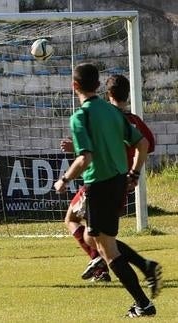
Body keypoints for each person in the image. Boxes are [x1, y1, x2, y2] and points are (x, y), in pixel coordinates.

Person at [54, 63, 162, 318]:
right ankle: (145, 270)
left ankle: (143, 304)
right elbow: (143, 143)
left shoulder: (81, 116)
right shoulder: (113, 112)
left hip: (100, 185)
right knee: (102, 241)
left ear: (74, 86)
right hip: (118, 182)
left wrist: (64, 180)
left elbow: (85, 159)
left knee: (106, 249)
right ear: (98, 85)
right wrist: (134, 174)